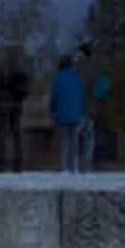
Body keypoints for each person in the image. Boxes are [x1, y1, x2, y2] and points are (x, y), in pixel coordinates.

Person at [0, 45, 31, 173]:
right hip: (17, 105)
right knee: (16, 134)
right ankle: (18, 163)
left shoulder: (2, 69)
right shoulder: (22, 70)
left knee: (2, 134)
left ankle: (2, 163)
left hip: (3, 105)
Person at [49, 53, 84, 173]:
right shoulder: (76, 77)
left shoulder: (58, 78)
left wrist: (52, 110)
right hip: (75, 113)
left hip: (62, 114)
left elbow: (54, 96)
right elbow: (80, 96)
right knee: (74, 142)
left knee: (64, 142)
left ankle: (64, 166)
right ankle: (74, 166)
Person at [74, 43, 107, 172]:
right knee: (89, 137)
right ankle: (87, 162)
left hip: (79, 107)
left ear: (82, 53)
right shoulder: (95, 68)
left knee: (75, 136)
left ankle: (74, 163)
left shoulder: (78, 69)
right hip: (92, 107)